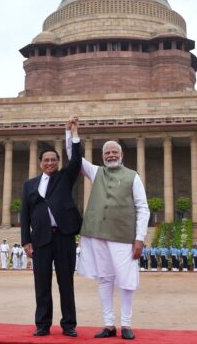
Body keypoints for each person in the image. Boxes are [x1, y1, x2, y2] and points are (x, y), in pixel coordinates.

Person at [68, 117, 150, 340]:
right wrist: (72, 134)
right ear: (102, 156)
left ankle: (126, 324)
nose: (111, 155)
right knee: (104, 279)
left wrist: (140, 238)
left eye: (115, 152)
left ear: (121, 155)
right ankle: (108, 324)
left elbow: (143, 208)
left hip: (123, 237)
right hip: (97, 234)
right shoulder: (96, 172)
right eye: (107, 153)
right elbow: (74, 158)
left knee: (126, 280)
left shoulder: (133, 177)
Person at [20, 116, 83, 337]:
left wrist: (73, 134)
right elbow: (25, 214)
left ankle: (68, 325)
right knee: (41, 284)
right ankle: (43, 324)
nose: (50, 163)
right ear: (40, 163)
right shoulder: (30, 185)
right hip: (40, 239)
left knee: (66, 282)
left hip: (64, 236)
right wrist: (25, 240)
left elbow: (76, 160)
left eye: (53, 160)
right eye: (46, 160)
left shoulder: (64, 177)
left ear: (58, 162)